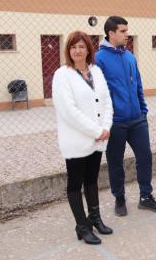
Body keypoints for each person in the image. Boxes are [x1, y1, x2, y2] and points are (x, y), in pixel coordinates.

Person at [95, 16, 156, 217]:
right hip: (116, 122)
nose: (127, 34)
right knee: (115, 161)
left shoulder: (129, 57)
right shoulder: (99, 59)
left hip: (137, 120)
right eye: (123, 31)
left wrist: (143, 110)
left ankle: (146, 197)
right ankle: (119, 198)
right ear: (111, 33)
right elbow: (99, 93)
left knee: (145, 157)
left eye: (127, 31)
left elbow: (138, 85)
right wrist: (107, 118)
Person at [52, 31, 113, 245]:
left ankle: (94, 218)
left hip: (97, 140)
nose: (77, 51)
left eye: (81, 46)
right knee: (75, 182)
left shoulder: (96, 71)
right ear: (68, 50)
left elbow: (106, 102)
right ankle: (81, 225)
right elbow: (68, 111)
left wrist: (106, 126)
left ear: (89, 49)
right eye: (73, 47)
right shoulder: (62, 75)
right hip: (77, 140)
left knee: (92, 180)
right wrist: (97, 131)